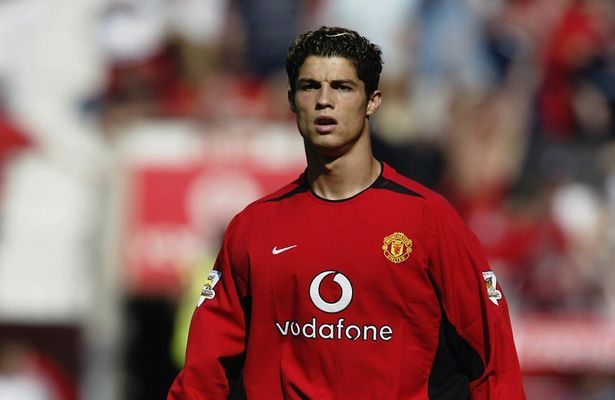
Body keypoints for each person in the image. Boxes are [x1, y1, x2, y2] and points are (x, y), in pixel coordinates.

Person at [168, 26, 526, 399]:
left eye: (342, 87)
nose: (324, 100)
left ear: (373, 101)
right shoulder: (254, 227)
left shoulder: (429, 220)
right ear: (291, 100)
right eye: (310, 87)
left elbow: (495, 365)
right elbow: (202, 379)